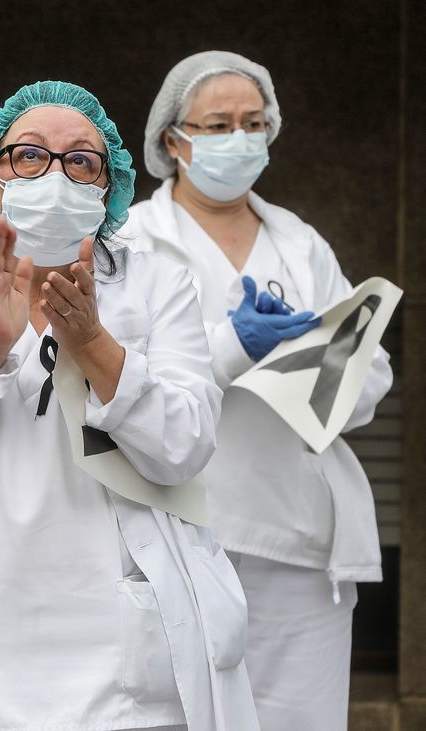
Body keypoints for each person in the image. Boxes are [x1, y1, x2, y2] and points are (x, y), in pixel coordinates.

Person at [0, 81, 260, 731]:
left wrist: (95, 345)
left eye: (80, 161)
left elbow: (185, 449)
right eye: (29, 156)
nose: (54, 175)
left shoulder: (159, 287)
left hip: (123, 661)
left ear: (108, 190)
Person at [120, 51, 393, 729]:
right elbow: (114, 381)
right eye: (218, 125)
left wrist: (315, 360)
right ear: (172, 140)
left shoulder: (300, 242)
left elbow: (371, 377)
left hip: (297, 536)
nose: (239, 139)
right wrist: (229, 346)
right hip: (177, 533)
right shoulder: (133, 240)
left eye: (254, 123)